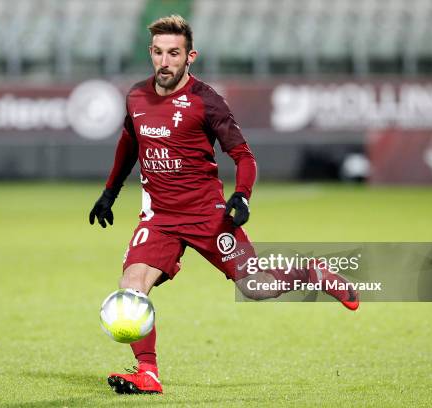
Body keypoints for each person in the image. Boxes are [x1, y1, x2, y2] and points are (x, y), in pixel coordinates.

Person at [89, 15, 359, 395]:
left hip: (206, 215)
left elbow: (244, 156)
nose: (164, 62)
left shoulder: (207, 101)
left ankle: (312, 273)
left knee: (256, 287)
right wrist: (109, 192)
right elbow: (129, 144)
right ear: (150, 53)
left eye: (174, 54)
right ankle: (147, 373)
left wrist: (241, 195)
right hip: (160, 219)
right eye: (158, 53)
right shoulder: (136, 97)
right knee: (131, 286)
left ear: (190, 56)